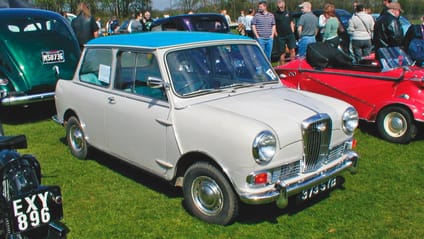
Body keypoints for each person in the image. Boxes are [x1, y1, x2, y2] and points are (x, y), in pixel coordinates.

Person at [274, 0, 296, 64]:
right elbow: (274, 25)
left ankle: (293, 65)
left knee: (292, 50)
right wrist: (276, 35)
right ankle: (283, 67)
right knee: (282, 53)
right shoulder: (275, 14)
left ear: (284, 3)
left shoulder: (288, 13)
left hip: (290, 35)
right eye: (278, 2)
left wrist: (292, 32)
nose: (279, 3)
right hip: (280, 36)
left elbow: (291, 22)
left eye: (280, 2)